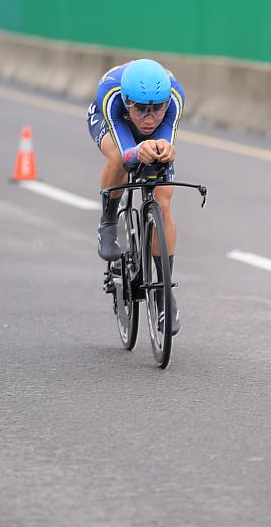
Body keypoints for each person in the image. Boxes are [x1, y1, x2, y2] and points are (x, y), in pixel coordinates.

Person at [87, 59, 185, 335]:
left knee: (163, 201)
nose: (149, 117)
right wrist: (135, 152)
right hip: (113, 123)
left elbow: (165, 137)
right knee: (119, 158)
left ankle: (164, 293)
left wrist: (165, 150)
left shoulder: (175, 98)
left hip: (144, 127)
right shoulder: (111, 96)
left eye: (157, 108)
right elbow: (127, 150)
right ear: (128, 101)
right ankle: (107, 222)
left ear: (167, 102)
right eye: (141, 108)